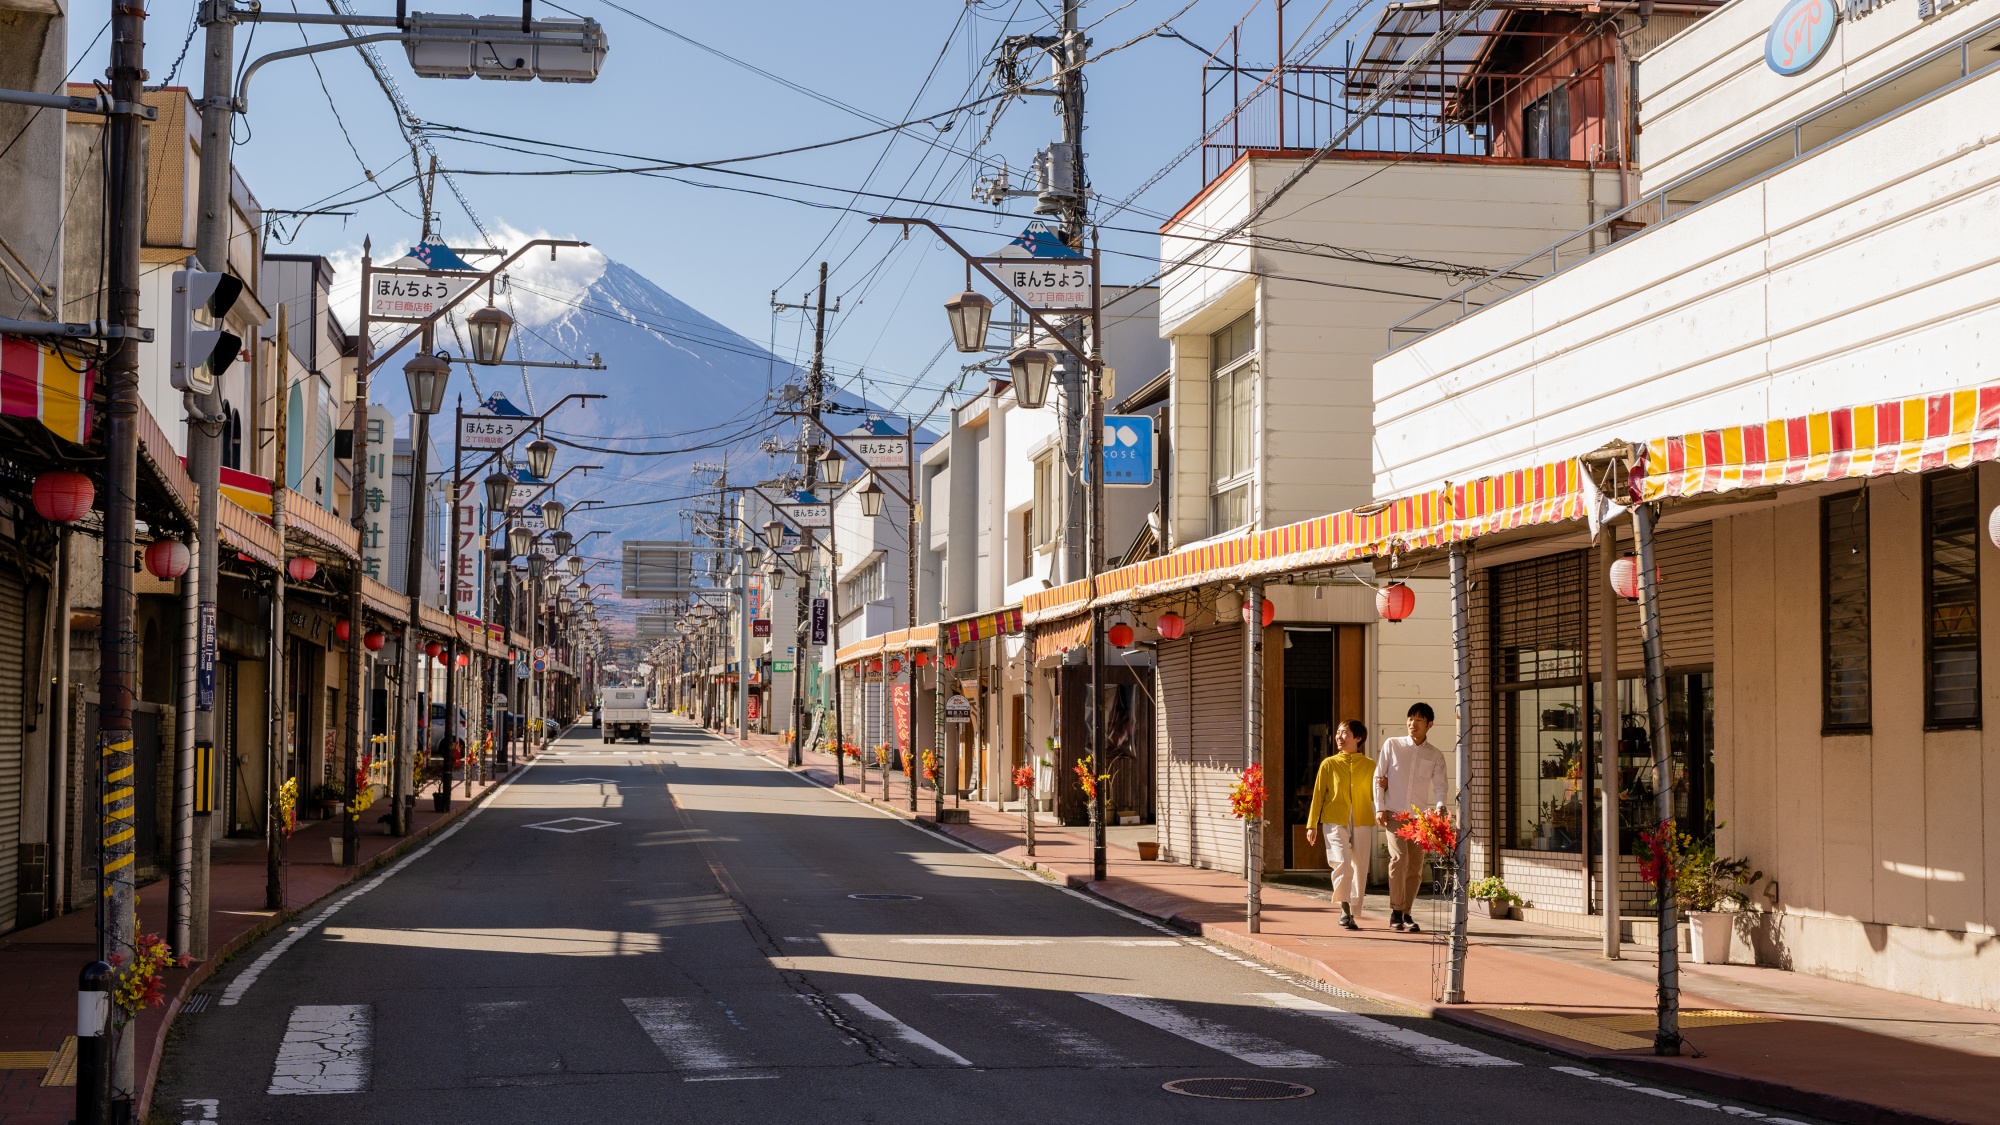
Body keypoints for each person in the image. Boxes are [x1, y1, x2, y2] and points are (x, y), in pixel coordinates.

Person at [1375, 702, 1447, 933]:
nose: (1412, 723)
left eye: (1418, 720)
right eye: (1410, 719)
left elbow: (1440, 786)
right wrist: (1379, 807)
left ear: (1429, 724)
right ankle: (1395, 912)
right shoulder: (1392, 745)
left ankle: (1406, 913)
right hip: (1394, 814)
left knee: (1416, 867)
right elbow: (1379, 777)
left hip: (1420, 820)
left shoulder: (1435, 755)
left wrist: (1440, 806)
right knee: (1399, 860)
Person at [1304, 719, 1375, 931]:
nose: (1339, 737)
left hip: (1362, 818)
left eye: (1344, 733)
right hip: (1334, 819)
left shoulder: (1371, 765)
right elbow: (1318, 795)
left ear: (1358, 738)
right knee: (1342, 862)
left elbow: (1378, 795)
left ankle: (1353, 908)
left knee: (1360, 867)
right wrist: (1312, 824)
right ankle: (1344, 908)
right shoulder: (1329, 763)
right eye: (1337, 733)